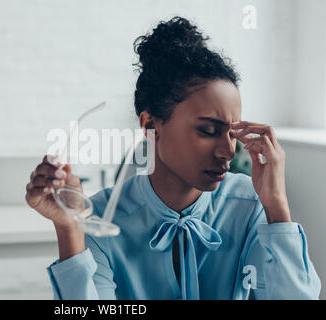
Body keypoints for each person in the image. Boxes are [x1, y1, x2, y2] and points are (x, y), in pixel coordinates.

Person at [25, 16, 321, 299]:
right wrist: (69, 229)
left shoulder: (249, 206)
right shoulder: (99, 219)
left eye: (232, 134)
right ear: (151, 125)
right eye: (207, 130)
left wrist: (277, 207)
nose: (228, 151)